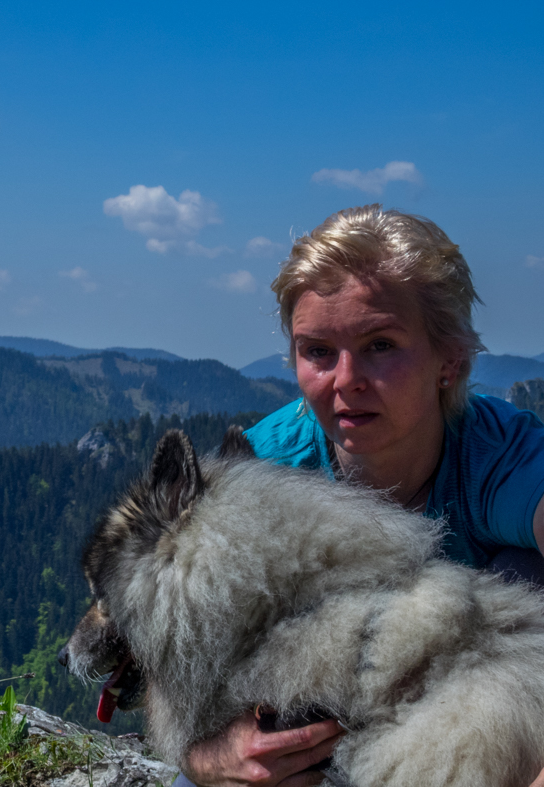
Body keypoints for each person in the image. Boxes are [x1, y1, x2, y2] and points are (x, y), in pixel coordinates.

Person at [171, 205, 544, 787]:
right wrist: (210, 757)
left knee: (525, 574)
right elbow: (181, 649)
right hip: (327, 742)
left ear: (452, 360)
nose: (346, 380)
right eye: (317, 350)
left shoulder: (500, 457)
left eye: (380, 345)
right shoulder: (261, 473)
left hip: (480, 726)